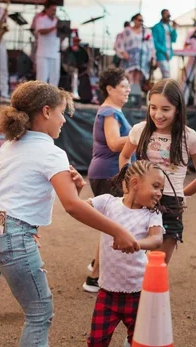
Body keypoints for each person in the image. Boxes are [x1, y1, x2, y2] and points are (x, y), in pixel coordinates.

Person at [0, 81, 140, 347]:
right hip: (10, 230)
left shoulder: (10, 144)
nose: (64, 121)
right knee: (39, 312)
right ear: (46, 111)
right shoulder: (52, 153)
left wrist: (22, 227)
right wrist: (118, 229)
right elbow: (71, 205)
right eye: (60, 113)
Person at [119, 79, 196, 264]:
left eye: (166, 109)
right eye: (153, 107)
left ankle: (150, 294)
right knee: (132, 258)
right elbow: (124, 157)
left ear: (178, 109)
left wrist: (180, 195)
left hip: (171, 205)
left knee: (157, 264)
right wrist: (128, 188)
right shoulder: (139, 130)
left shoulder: (191, 138)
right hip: (139, 200)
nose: (158, 114)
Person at [86, 160, 166, 347]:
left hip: (138, 292)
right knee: (97, 341)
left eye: (161, 189)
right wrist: (74, 190)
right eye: (155, 186)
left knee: (139, 340)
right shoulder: (107, 202)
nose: (159, 193)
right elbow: (82, 208)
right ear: (135, 183)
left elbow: (157, 240)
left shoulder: (152, 214)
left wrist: (135, 243)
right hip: (107, 291)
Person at [83, 68, 133, 292]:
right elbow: (114, 143)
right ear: (110, 89)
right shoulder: (109, 112)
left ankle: (97, 264)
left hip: (107, 172)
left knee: (111, 222)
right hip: (109, 173)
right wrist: (141, 134)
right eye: (123, 86)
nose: (128, 89)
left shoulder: (112, 111)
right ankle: (94, 276)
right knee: (112, 224)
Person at [115, 13, 155, 85]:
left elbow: (151, 46)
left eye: (142, 20)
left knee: (138, 78)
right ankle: (129, 94)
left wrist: (153, 57)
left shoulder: (146, 31)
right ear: (134, 20)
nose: (141, 22)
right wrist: (123, 52)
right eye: (139, 20)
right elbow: (119, 42)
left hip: (142, 60)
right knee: (128, 77)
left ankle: (136, 93)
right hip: (129, 59)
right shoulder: (127, 31)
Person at [35, 0, 61, 86]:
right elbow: (41, 31)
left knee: (54, 79)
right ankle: (39, 99)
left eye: (55, 10)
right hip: (43, 54)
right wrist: (55, 27)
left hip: (55, 53)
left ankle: (53, 99)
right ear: (47, 9)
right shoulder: (41, 19)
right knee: (42, 79)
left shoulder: (58, 20)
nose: (54, 12)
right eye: (52, 10)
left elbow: (61, 36)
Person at [152, 9, 177, 79]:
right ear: (162, 15)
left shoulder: (169, 27)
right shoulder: (156, 27)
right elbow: (154, 42)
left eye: (169, 15)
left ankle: (163, 89)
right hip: (161, 54)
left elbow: (174, 40)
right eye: (167, 14)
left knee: (166, 77)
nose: (168, 16)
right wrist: (164, 51)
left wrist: (174, 29)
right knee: (166, 75)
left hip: (169, 55)